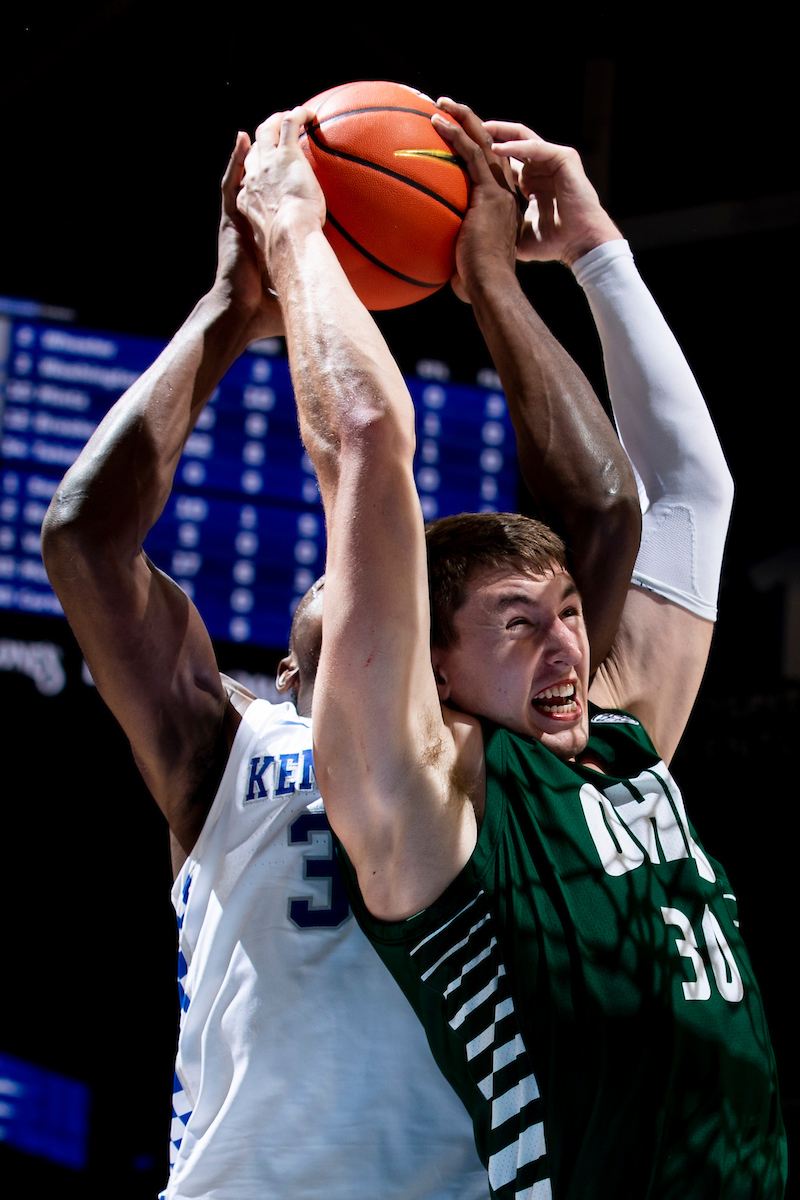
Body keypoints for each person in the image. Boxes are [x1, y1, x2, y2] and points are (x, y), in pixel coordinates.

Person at [40, 117, 639, 1199]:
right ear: (281, 670)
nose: (376, 582)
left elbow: (601, 513)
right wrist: (229, 307)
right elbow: (83, 537)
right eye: (344, 583)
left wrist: (492, 285)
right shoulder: (221, 744)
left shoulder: (495, 732)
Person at [237, 99, 786, 1199]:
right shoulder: (429, 812)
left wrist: (592, 252)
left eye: (570, 614)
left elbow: (688, 496)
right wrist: (298, 232)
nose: (565, 648)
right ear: (431, 669)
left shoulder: (623, 744)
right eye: (516, 624)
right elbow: (363, 441)